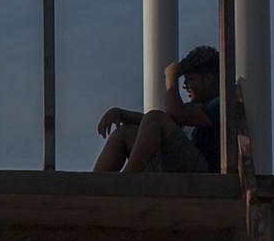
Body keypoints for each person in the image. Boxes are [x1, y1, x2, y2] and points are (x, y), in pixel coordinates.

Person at [91, 45, 233, 173]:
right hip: (178, 166)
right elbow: (154, 125)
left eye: (189, 79)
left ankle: (127, 180)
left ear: (208, 79)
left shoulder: (220, 105)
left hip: (203, 173)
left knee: (156, 117)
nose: (185, 86)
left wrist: (170, 78)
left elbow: (171, 115)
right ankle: (95, 188)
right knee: (124, 133)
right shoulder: (192, 109)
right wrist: (122, 114)